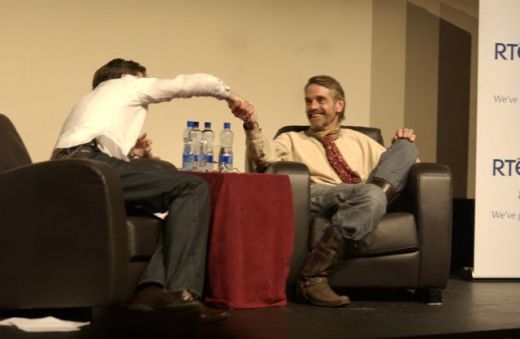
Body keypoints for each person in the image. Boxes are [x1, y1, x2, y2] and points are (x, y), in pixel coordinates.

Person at [51, 58, 252, 321]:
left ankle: (151, 290)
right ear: (129, 76)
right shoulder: (127, 85)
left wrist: (138, 158)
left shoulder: (90, 102)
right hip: (91, 167)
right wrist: (230, 96)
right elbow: (187, 84)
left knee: (171, 192)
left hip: (64, 175)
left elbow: (99, 152)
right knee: (193, 187)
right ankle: (183, 292)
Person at [233, 75, 418, 307]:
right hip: (321, 195)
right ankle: (312, 277)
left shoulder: (360, 140)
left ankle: (368, 207)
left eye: (320, 100)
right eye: (308, 101)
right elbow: (262, 157)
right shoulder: (292, 139)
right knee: (371, 194)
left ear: (339, 105)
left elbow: (400, 169)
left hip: (362, 193)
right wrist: (251, 125)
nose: (312, 107)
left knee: (405, 148)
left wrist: (400, 145)